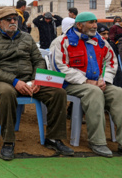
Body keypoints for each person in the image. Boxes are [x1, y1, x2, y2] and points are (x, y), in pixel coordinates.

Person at [0, 7, 73, 161]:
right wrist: (15, 81)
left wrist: (36, 79)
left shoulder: (27, 37)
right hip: (5, 81)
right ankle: (8, 141)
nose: (13, 22)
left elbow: (38, 60)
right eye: (9, 19)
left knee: (58, 93)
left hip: (30, 80)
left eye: (15, 19)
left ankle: (53, 138)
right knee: (6, 93)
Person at [50, 12, 122, 157]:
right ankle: (97, 141)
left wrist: (105, 80)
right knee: (93, 92)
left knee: (118, 93)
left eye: (95, 22)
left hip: (98, 83)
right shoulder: (62, 41)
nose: (95, 25)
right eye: (90, 22)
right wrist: (85, 80)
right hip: (70, 84)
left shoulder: (100, 41)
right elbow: (59, 67)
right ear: (79, 25)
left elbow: (111, 61)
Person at [97, 23, 122, 88]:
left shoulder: (111, 45)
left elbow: (115, 62)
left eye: (107, 34)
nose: (106, 36)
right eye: (103, 34)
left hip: (113, 74)